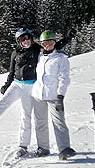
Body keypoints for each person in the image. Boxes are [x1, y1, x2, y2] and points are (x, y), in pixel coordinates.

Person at [0, 27, 71, 158]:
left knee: (26, 116)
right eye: (22, 39)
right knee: (3, 103)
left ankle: (23, 145)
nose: (26, 41)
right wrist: (6, 85)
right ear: (18, 41)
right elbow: (11, 71)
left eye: (27, 38)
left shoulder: (38, 50)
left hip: (30, 87)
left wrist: (68, 39)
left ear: (31, 38)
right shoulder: (15, 53)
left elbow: (52, 46)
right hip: (16, 84)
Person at [31, 30, 75, 160]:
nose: (47, 46)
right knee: (40, 122)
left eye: (50, 43)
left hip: (53, 96)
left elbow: (64, 78)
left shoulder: (61, 59)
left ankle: (64, 149)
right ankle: (43, 148)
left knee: (59, 122)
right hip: (38, 94)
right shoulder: (39, 56)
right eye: (44, 43)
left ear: (54, 43)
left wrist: (60, 96)